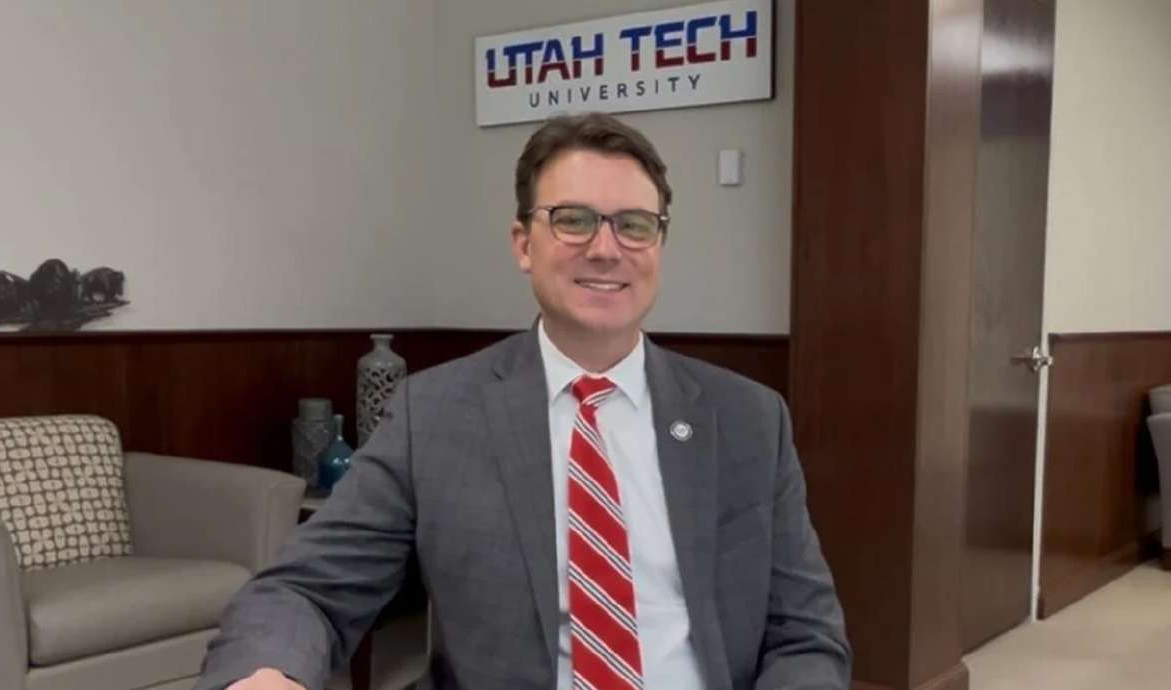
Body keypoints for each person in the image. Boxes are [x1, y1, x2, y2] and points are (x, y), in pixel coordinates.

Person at [196, 112, 850, 690]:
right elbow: (306, 590)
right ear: (522, 244)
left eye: (634, 224)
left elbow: (804, 633)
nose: (605, 247)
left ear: (659, 245)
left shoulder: (747, 420)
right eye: (572, 220)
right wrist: (266, 673)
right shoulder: (436, 415)